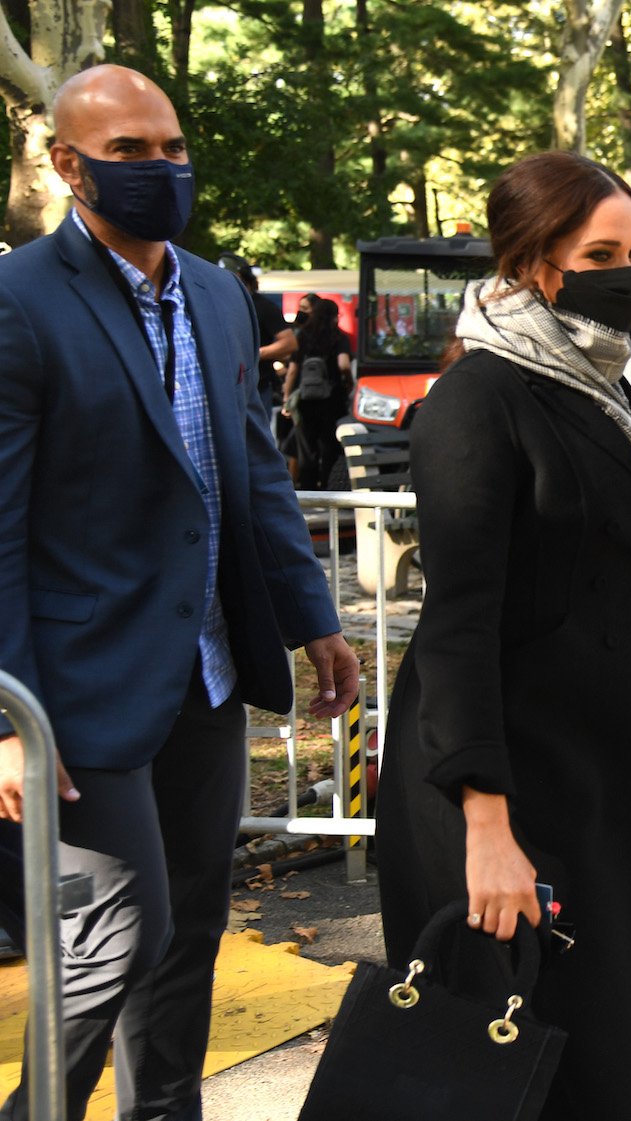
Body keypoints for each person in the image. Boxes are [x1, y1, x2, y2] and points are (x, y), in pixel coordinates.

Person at [0, 65, 359, 1121]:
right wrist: (10, 717)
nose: (163, 168)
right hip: (76, 694)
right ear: (69, 166)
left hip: (203, 675)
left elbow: (250, 471)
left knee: (191, 929)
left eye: (171, 146)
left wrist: (313, 617)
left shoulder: (213, 291)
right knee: (118, 934)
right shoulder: (19, 303)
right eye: (131, 152)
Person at [374, 151, 631, 1121]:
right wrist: (487, 825)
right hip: (500, 784)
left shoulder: (602, 385)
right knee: (519, 1063)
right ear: (530, 261)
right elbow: (459, 625)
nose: (628, 273)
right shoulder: (477, 400)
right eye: (601, 251)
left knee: (629, 1045)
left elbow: (604, 584)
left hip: (607, 777)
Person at [282, 293, 352, 489]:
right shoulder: (338, 337)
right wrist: (348, 382)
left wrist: (287, 397)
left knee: (305, 448)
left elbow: (293, 370)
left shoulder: (303, 336)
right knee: (329, 446)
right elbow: (344, 364)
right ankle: (327, 490)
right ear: (335, 316)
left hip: (305, 400)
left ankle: (308, 490)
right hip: (332, 399)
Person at [222, 254, 297, 425]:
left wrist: (254, 354)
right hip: (224, 388)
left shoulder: (263, 306)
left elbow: (289, 343)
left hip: (256, 388)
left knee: (256, 445)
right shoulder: (215, 303)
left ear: (244, 277)